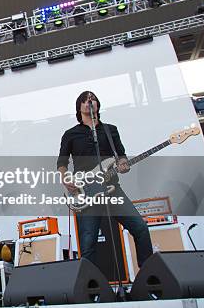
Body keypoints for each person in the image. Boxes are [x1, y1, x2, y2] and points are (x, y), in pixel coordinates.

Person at [56, 91, 153, 267]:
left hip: (112, 188)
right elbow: (62, 162)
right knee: (88, 243)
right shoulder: (71, 134)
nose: (89, 102)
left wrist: (124, 164)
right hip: (86, 192)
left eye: (92, 99)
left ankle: (149, 275)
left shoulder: (110, 130)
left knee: (140, 228)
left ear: (97, 105)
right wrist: (66, 179)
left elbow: (121, 157)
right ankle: (90, 287)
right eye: (85, 100)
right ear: (79, 107)